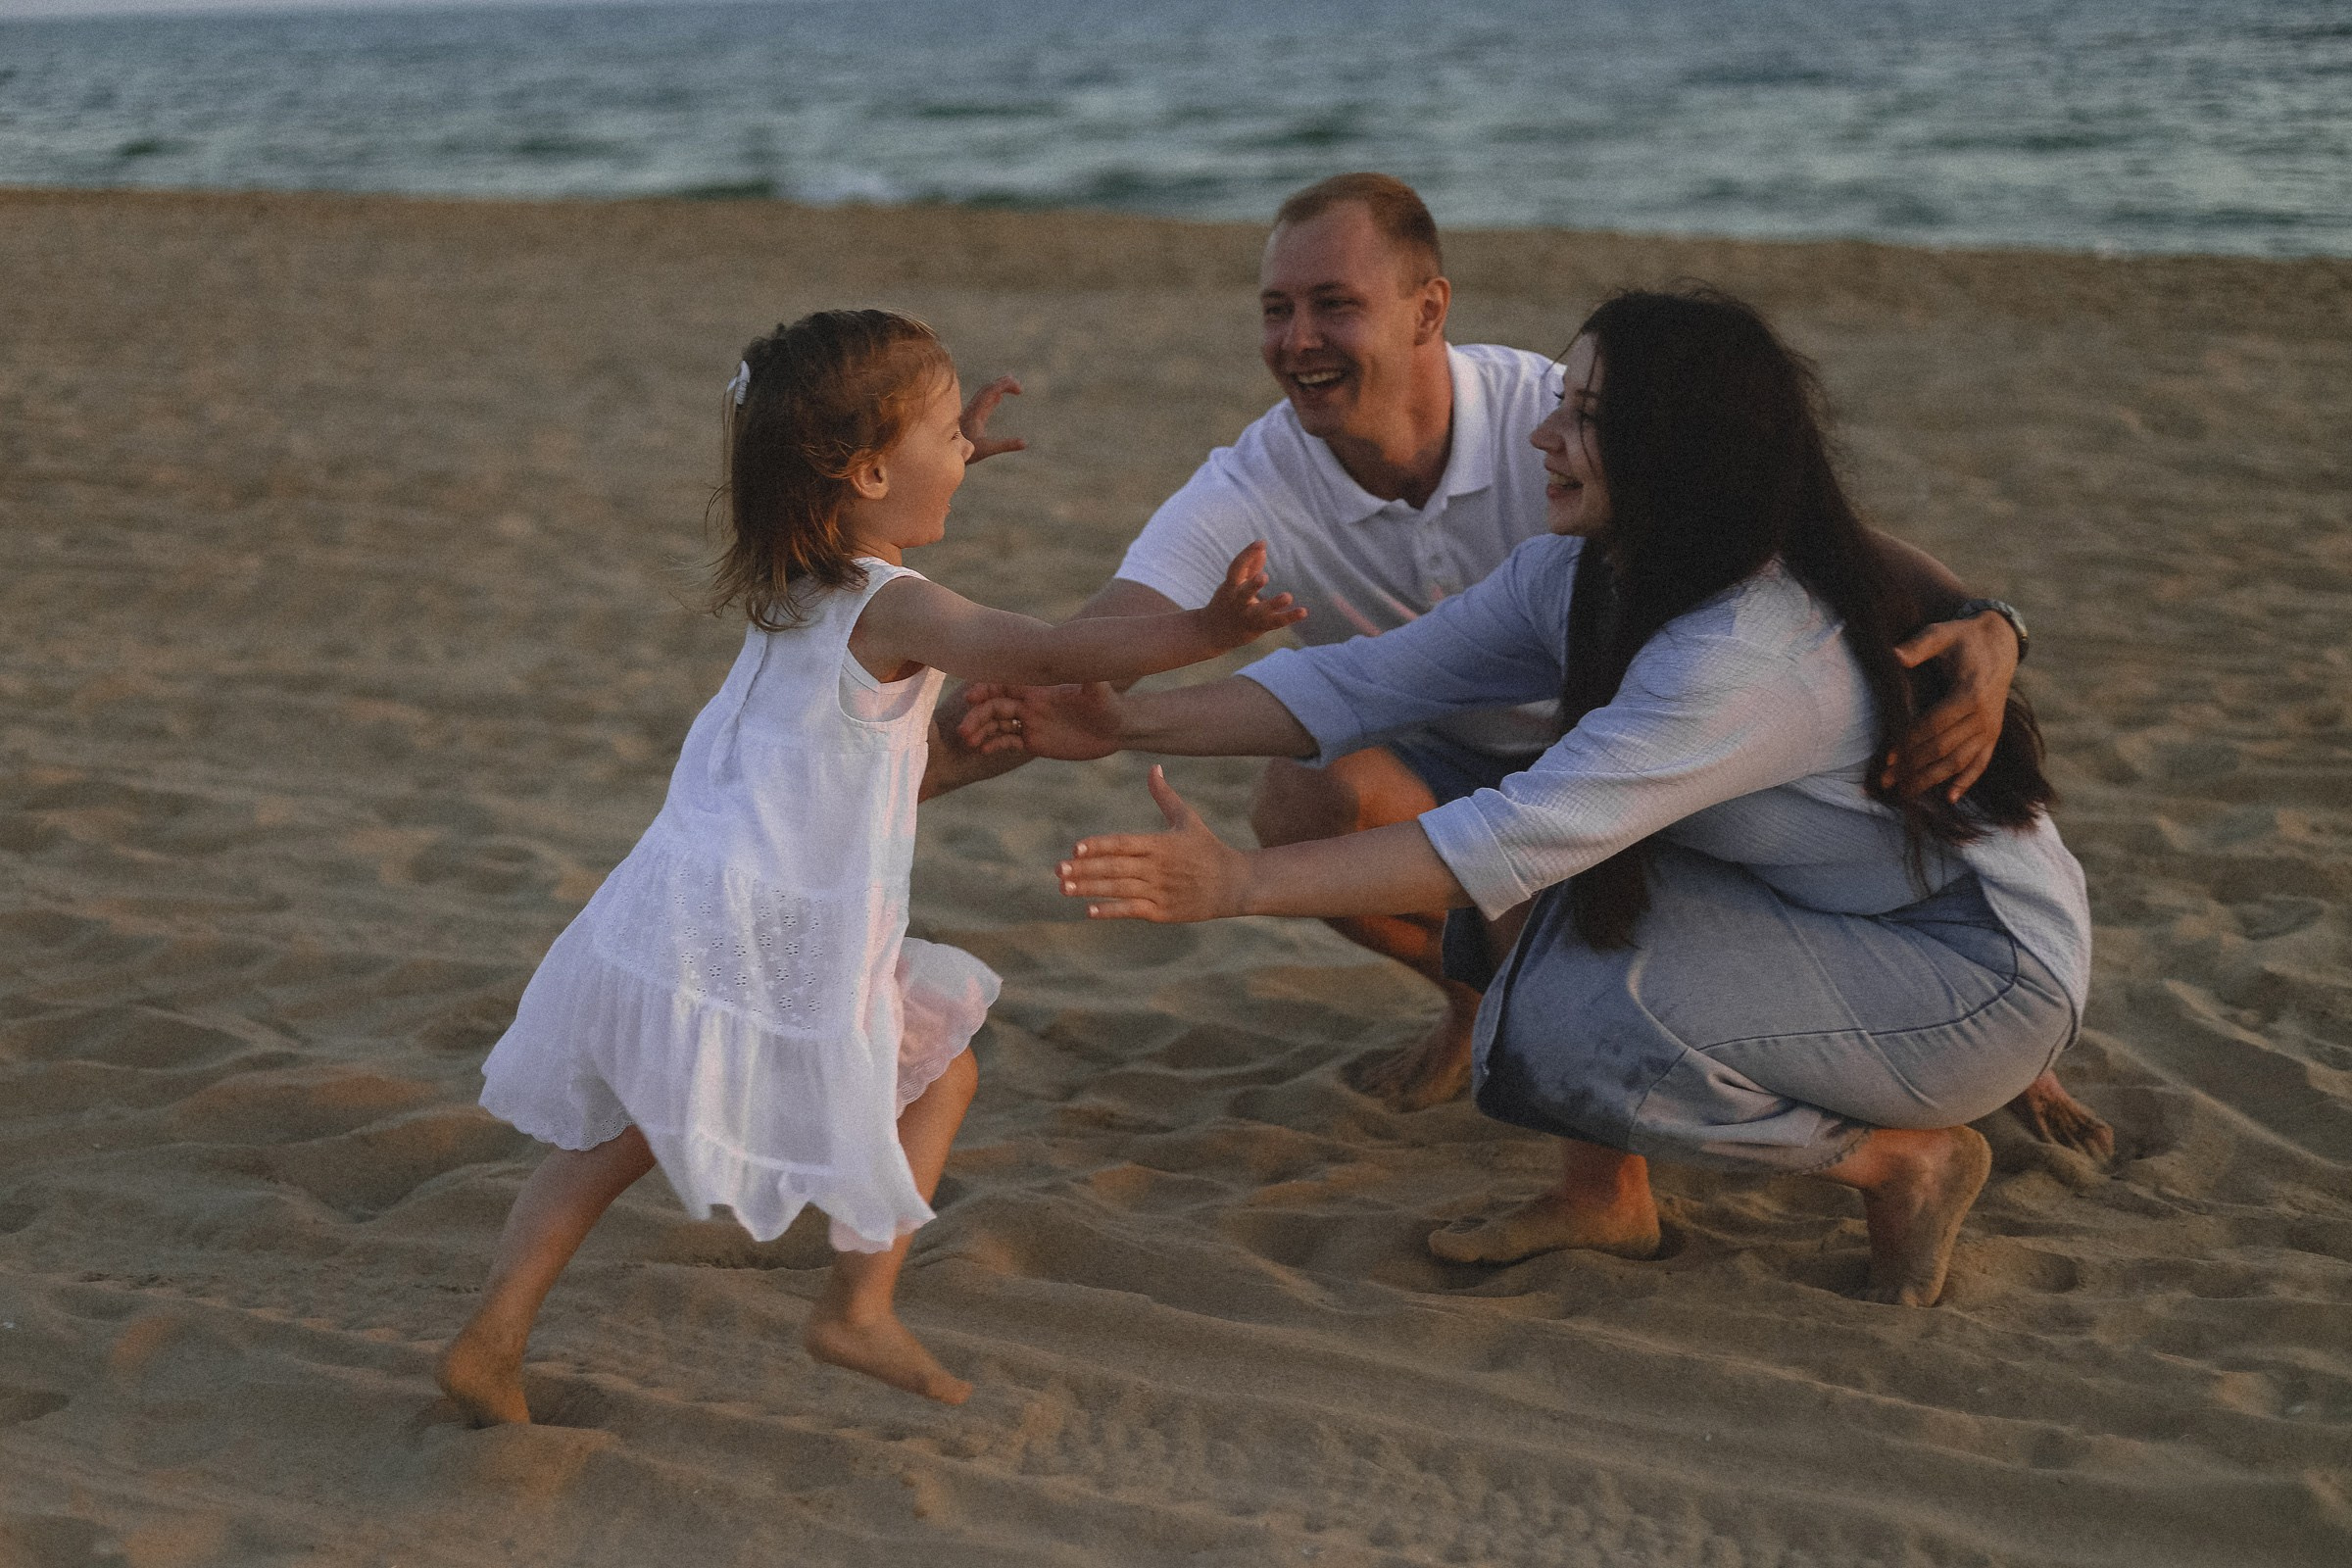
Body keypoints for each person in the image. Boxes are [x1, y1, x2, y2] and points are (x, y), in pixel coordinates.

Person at [924, 172, 2106, 1156]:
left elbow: (1520, 832)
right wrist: (1113, 726)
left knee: (1559, 1022)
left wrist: (1994, 626)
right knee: (1531, 964)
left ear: (1426, 310)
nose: (1550, 427)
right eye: (1275, 306)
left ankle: (1898, 1141)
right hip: (1734, 860)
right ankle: (1740, 1107)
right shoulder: (1573, 560)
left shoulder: (1736, 636)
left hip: (1955, 943)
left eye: (1332, 303)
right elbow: (1361, 682)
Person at [435, 310, 1302, 1423]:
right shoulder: (893, 607)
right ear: (871, 469)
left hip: (684, 899)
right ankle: (856, 1306)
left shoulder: (803, 592)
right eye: (950, 436)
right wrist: (1203, 630)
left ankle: (493, 1334)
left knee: (621, 1134)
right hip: (767, 928)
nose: (966, 452)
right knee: (940, 1074)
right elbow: (1031, 649)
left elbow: (833, 791)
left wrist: (951, 761)